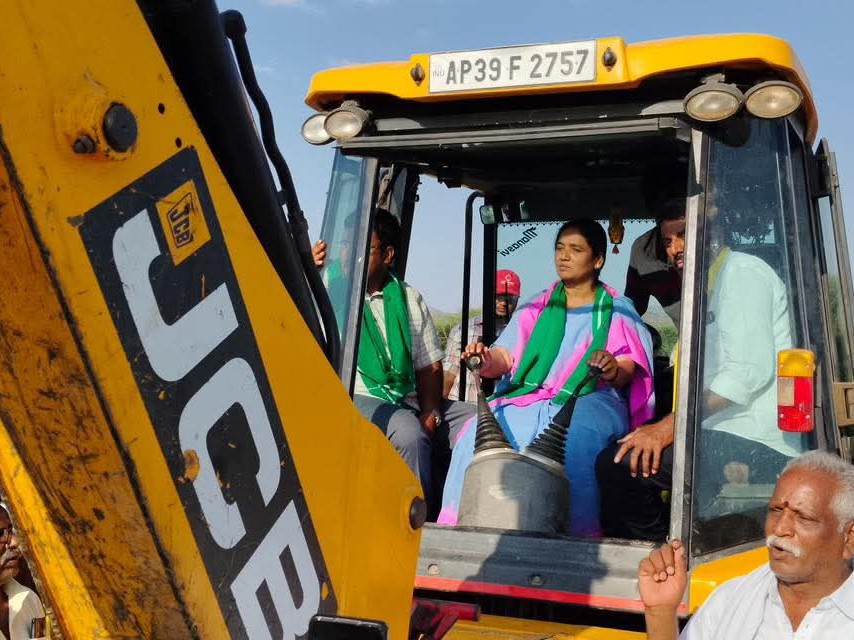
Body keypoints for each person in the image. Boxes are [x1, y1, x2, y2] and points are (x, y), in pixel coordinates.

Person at [596, 196, 805, 541]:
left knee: (617, 465)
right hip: (718, 431)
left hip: (752, 437)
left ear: (713, 230)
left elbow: (744, 374)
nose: (674, 248)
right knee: (625, 449)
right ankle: (668, 544)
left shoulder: (741, 274)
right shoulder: (706, 287)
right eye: (667, 241)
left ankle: (660, 552)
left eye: (682, 235)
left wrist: (669, 427)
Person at [438, 219, 655, 537]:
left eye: (575, 249)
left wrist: (610, 367)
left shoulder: (618, 310)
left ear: (598, 260)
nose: (564, 256)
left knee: (576, 439)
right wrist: (484, 360)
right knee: (475, 433)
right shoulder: (536, 305)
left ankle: (574, 535)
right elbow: (505, 357)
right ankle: (465, 525)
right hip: (527, 396)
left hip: (591, 397)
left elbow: (626, 368)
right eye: (559, 248)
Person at [312, 209, 474, 508]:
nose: (349, 254)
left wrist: (431, 411)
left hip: (407, 397)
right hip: (357, 396)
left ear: (387, 255)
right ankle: (417, 522)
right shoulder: (327, 289)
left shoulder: (408, 298)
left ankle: (458, 513)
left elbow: (429, 365)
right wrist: (306, 271)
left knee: (479, 422)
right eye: (345, 244)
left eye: (362, 246)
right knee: (409, 433)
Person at [639, 450, 854, 639]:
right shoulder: (729, 602)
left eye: (803, 518)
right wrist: (660, 613)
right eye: (776, 510)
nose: (780, 528)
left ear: (849, 538)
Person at [442, 270, 522, 402]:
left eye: (509, 298)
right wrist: (436, 409)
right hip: (465, 406)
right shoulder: (464, 330)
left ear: (517, 300)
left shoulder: (520, 333)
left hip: (501, 407)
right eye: (499, 296)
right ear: (489, 295)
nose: (503, 302)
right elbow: (449, 374)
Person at [0, 505, 45, 640]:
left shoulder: (31, 599)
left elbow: (44, 638)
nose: (14, 542)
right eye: (0, 534)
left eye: (11, 531)